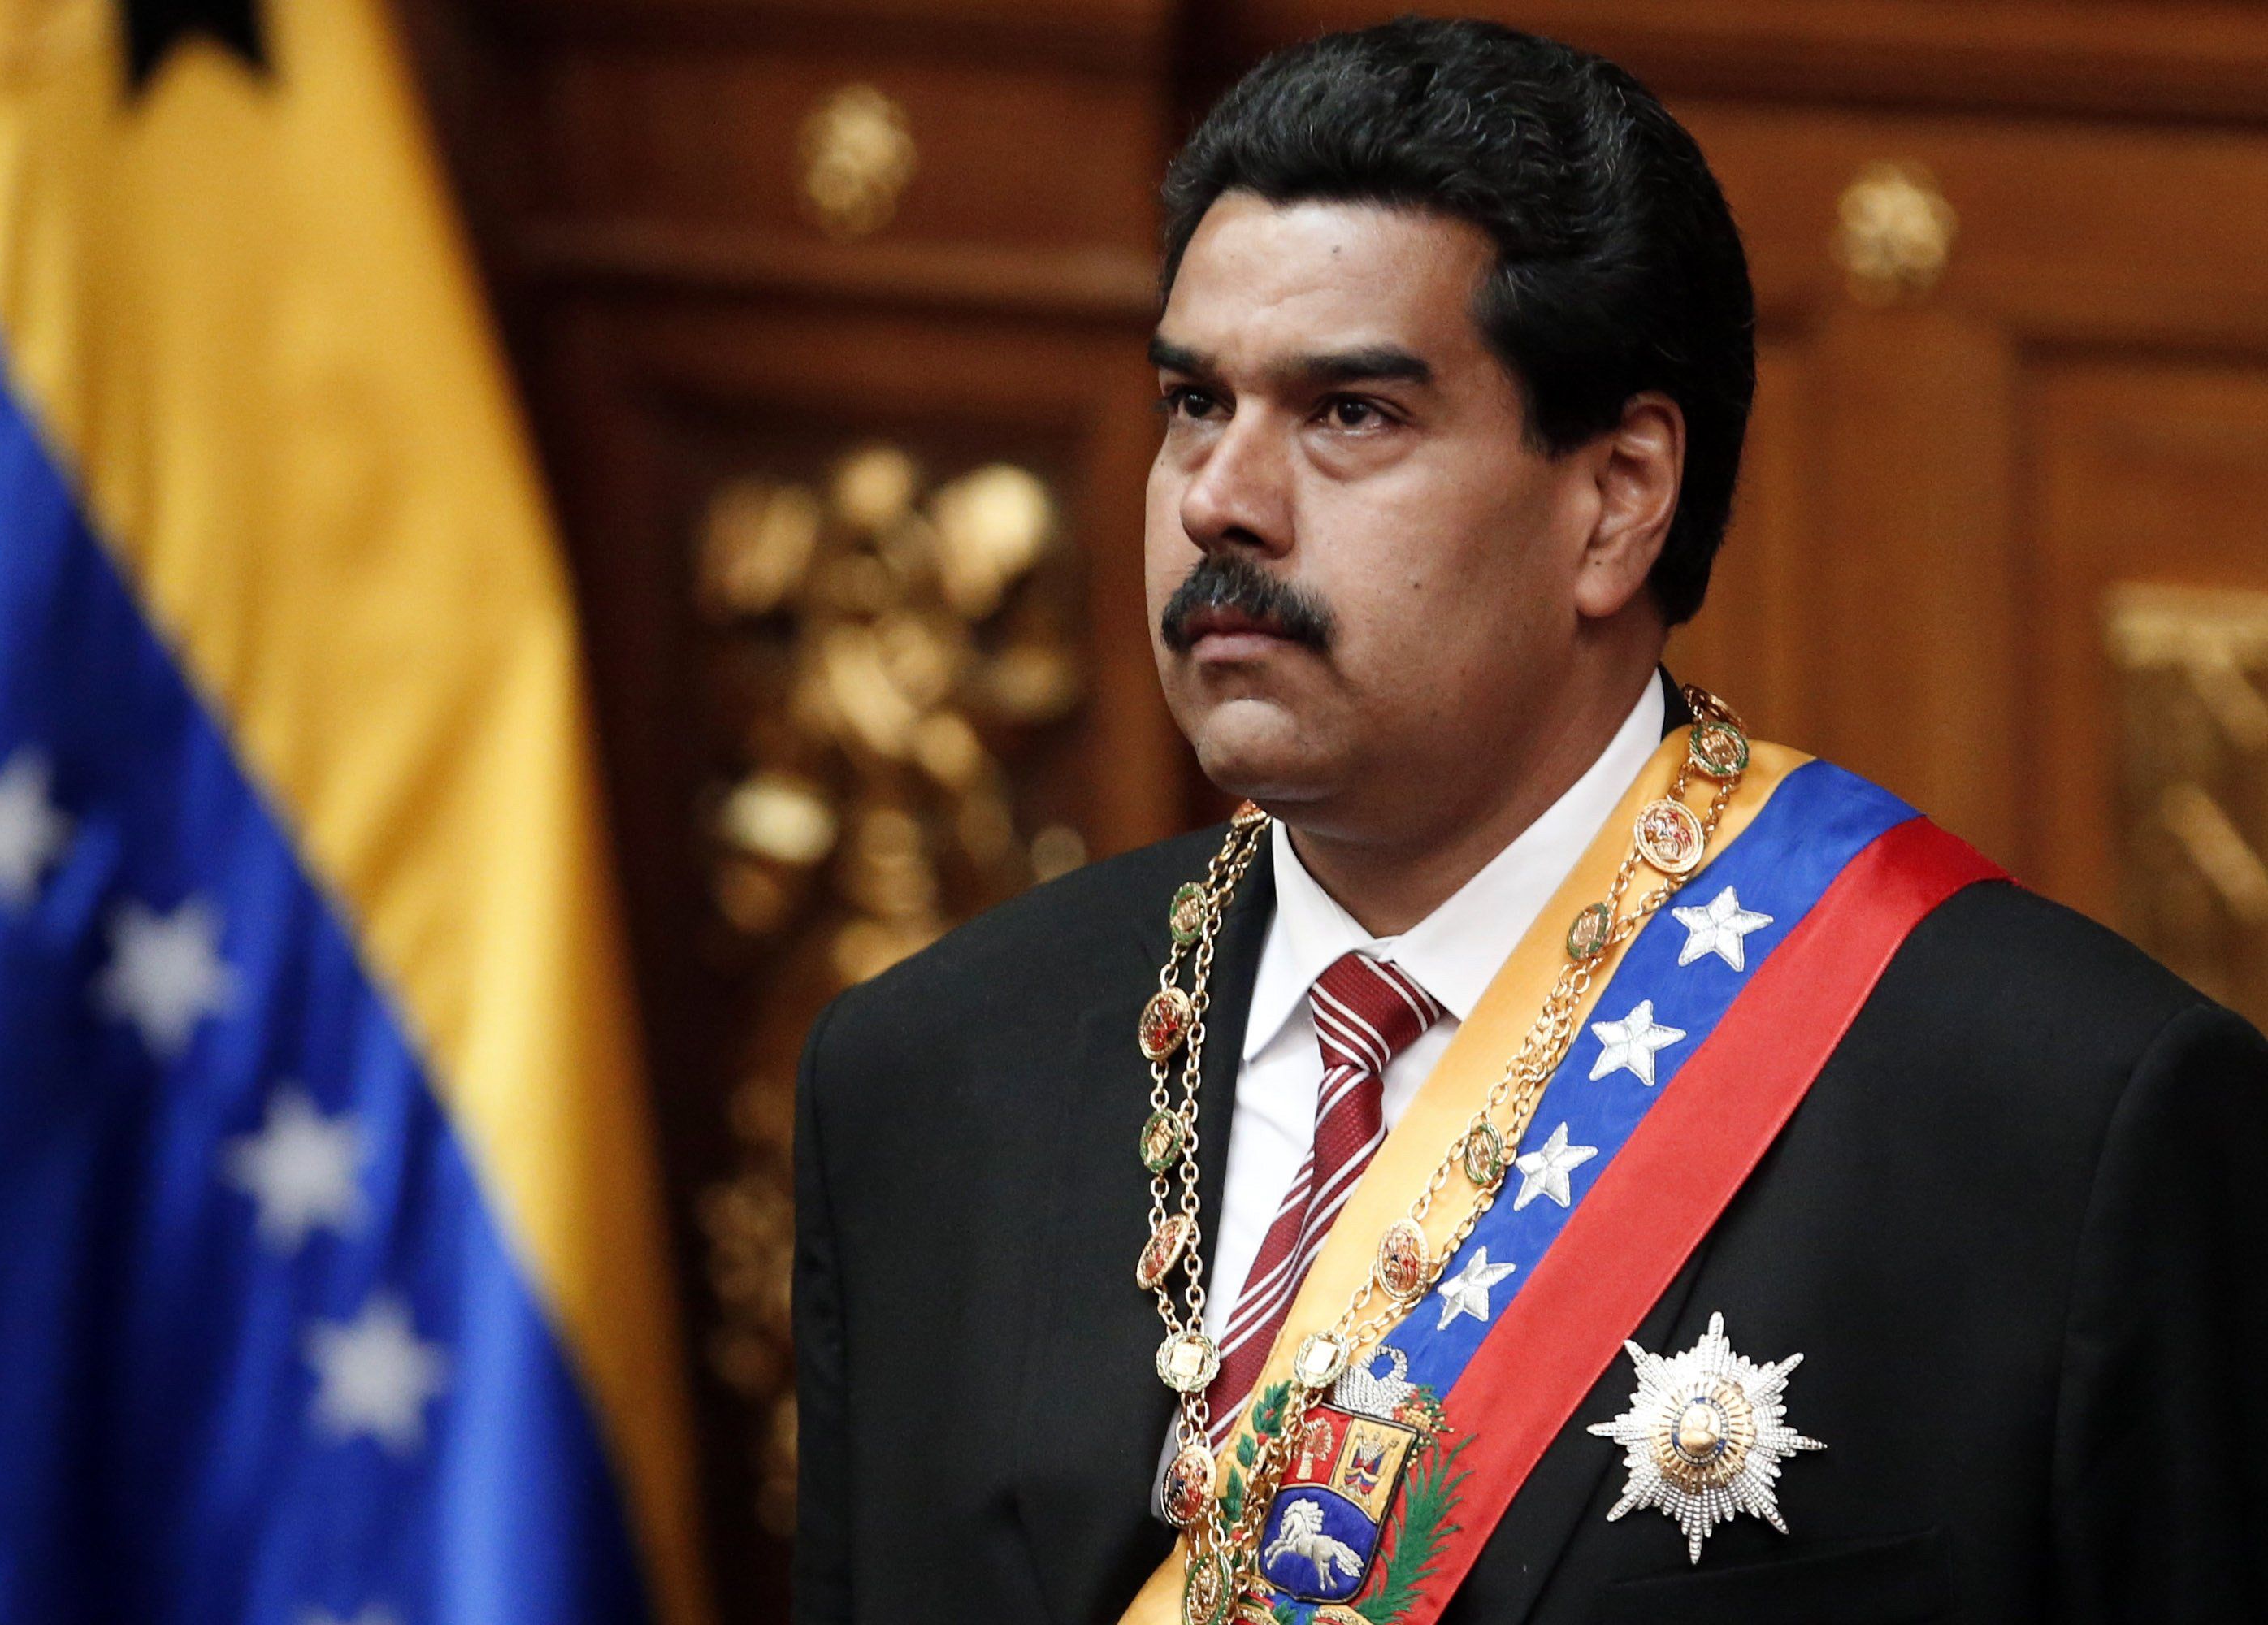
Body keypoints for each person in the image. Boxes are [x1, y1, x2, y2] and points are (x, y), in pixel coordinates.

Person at [789, 19, 2268, 1624]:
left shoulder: (2062, 1123)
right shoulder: (929, 1077)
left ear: (1619, 494)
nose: (1220, 493)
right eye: (1193, 402)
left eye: (1349, 413)